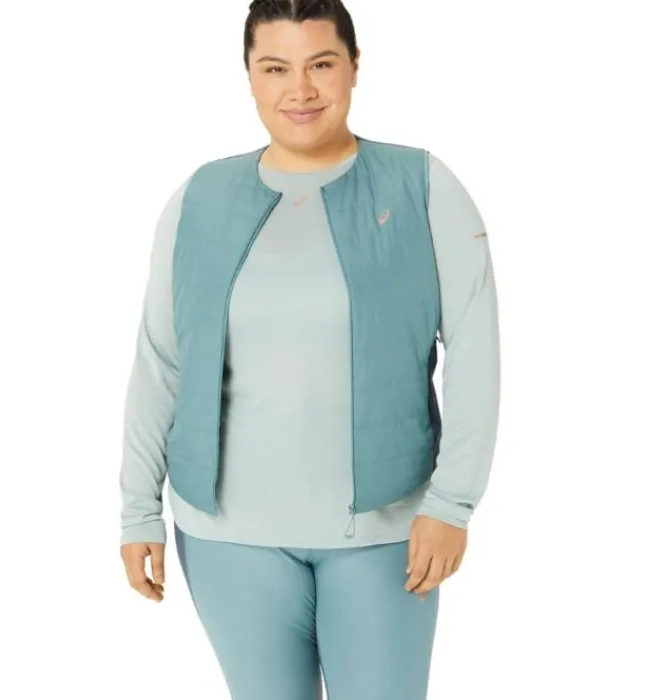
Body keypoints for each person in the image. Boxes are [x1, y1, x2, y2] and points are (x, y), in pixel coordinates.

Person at [118, 0, 500, 697]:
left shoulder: (422, 187)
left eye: (321, 64)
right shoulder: (199, 198)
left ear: (354, 66)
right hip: (225, 537)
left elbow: (475, 351)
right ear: (249, 76)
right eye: (275, 68)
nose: (300, 90)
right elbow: (160, 362)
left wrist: (452, 505)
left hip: (385, 531)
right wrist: (138, 507)